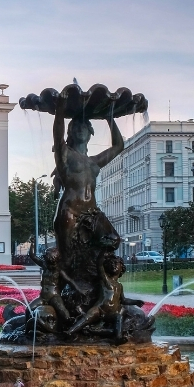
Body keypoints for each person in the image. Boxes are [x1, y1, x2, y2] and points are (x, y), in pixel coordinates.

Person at [52, 94, 124, 271]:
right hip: (70, 211)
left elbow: (118, 146)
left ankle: (98, 273)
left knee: (113, 239)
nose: (80, 129)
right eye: (75, 126)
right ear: (69, 132)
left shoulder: (94, 162)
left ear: (91, 132)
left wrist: (110, 118)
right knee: (68, 256)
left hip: (92, 212)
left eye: (84, 126)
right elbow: (57, 136)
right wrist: (59, 110)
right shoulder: (65, 156)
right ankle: (66, 288)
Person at [65, 251, 145, 342]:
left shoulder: (119, 286)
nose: (113, 265)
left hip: (112, 313)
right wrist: (102, 254)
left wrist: (135, 302)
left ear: (122, 267)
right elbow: (99, 266)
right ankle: (70, 332)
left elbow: (123, 300)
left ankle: (118, 337)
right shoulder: (105, 280)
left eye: (116, 263)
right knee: (87, 318)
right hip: (99, 309)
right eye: (111, 263)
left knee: (119, 317)